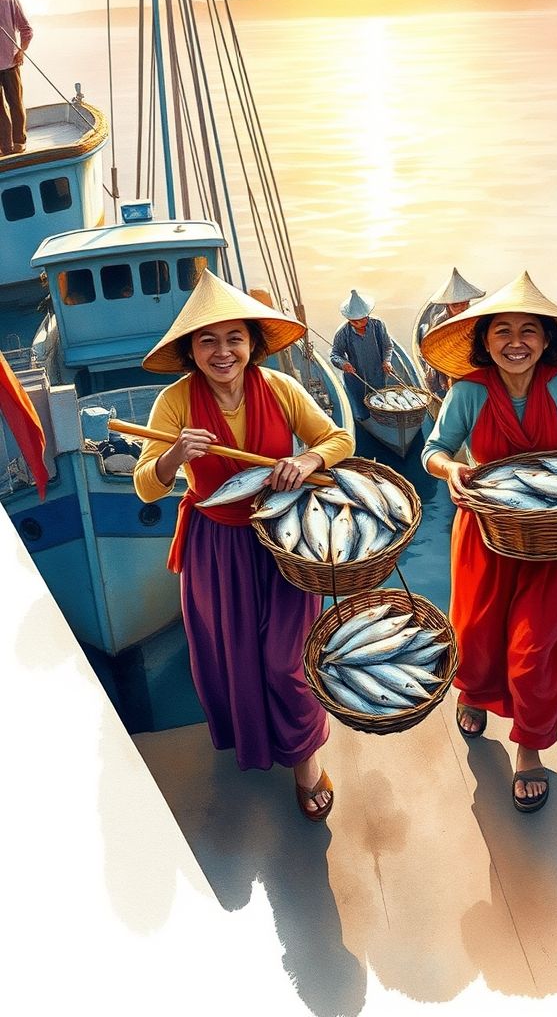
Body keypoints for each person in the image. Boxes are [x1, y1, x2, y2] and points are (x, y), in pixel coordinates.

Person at [133, 269, 354, 821]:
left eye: (234, 338)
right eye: (207, 340)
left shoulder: (280, 388)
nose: (222, 351)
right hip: (217, 546)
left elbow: (339, 437)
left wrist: (306, 460)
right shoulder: (174, 402)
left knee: (286, 662)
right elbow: (145, 483)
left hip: (284, 542)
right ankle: (257, 745)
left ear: (253, 343)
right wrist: (174, 456)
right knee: (230, 659)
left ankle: (305, 761)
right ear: (190, 350)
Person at [421, 271, 557, 813]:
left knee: (533, 649)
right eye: (502, 331)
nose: (515, 342)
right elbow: (435, 449)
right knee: (474, 636)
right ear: (484, 339)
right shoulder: (467, 391)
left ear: (546, 342)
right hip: (484, 535)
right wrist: (452, 470)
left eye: (529, 331)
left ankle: (528, 747)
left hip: (554, 541)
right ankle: (473, 694)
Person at [417, 267, 484, 399]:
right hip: (444, 361)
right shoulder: (440, 323)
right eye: (456, 306)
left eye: (465, 304)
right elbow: (437, 355)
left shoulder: (472, 317)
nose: (461, 309)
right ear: (447, 305)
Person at [330, 289, 395, 422]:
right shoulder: (343, 333)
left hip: (378, 373)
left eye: (366, 318)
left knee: (381, 401)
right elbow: (335, 354)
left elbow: (388, 346)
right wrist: (344, 364)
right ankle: (363, 418)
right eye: (359, 320)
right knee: (361, 411)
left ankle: (381, 418)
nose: (364, 321)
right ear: (351, 320)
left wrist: (387, 361)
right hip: (356, 378)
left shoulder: (377, 325)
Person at [0, 0, 33, 157]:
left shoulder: (11, 2)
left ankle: (18, 142)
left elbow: (26, 29)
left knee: (15, 104)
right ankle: (6, 146)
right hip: (10, 62)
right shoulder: (11, 1)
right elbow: (27, 30)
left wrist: (21, 50)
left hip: (11, 63)